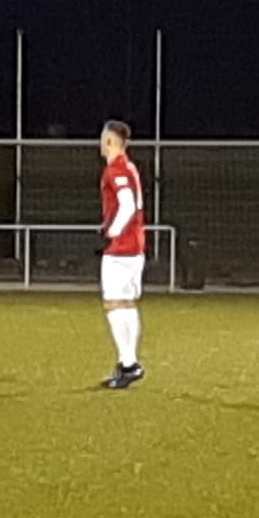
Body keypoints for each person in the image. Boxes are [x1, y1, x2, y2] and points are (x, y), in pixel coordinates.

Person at [98, 121, 146, 389]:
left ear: (110, 141)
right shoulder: (129, 166)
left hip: (122, 247)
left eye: (103, 139)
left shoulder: (116, 169)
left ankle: (129, 363)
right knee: (126, 303)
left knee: (115, 303)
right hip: (135, 245)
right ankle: (129, 362)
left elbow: (127, 204)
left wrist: (112, 231)